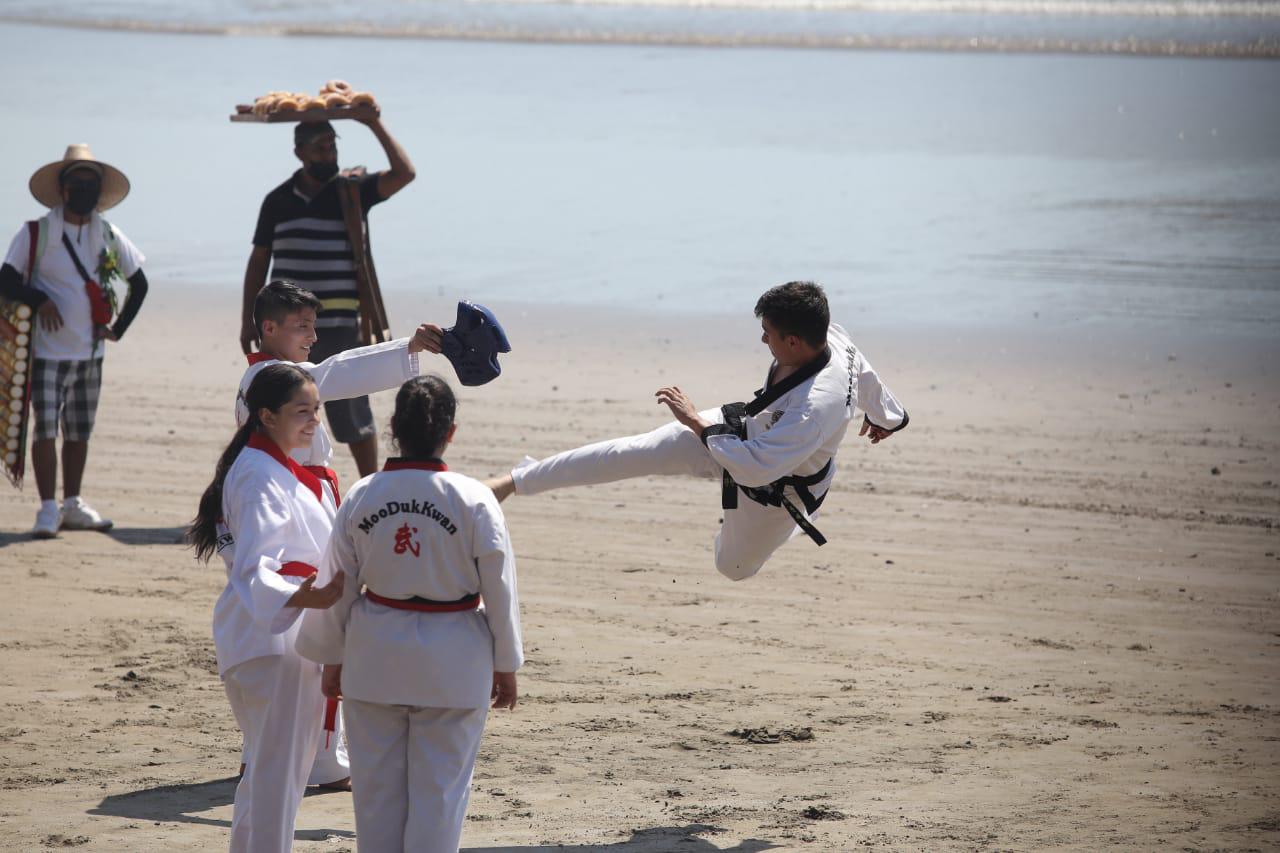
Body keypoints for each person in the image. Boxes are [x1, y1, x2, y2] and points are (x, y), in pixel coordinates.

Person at [486, 281, 908, 581]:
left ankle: (776, 528)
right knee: (632, 451)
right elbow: (863, 373)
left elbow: (754, 469)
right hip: (742, 432)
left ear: (795, 341)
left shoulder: (815, 410)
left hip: (777, 488)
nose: (763, 340)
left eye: (768, 334)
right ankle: (513, 481)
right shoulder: (831, 335)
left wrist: (694, 420)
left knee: (733, 567)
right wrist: (888, 416)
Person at [222, 278, 445, 789]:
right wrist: (408, 348)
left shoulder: (270, 376)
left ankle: (267, 750)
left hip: (298, 495)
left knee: (289, 633)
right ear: (269, 328)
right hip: (291, 503)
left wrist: (405, 350)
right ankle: (318, 761)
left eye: (313, 325)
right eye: (302, 326)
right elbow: (333, 372)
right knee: (311, 632)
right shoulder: (271, 378)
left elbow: (328, 371)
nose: (313, 335)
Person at [296, 375, 522, 853]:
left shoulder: (363, 494)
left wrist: (332, 656)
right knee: (440, 797)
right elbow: (499, 590)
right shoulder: (475, 499)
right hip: (455, 661)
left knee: (375, 797)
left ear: (394, 427)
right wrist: (506, 664)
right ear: (450, 432)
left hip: (374, 654)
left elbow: (337, 586)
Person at [188, 363, 348, 853]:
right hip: (277, 640)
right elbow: (256, 567)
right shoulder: (260, 474)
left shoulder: (268, 468)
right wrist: (306, 596)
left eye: (316, 410)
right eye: (302, 411)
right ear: (266, 415)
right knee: (278, 782)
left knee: (268, 777)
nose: (314, 421)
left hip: (273, 636)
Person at [241, 116, 416, 478]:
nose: (329, 154)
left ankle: (368, 486)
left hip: (338, 322)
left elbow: (405, 173)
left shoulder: (352, 191)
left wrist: (373, 123)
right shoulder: (277, 200)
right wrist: (248, 319)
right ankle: (289, 476)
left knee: (352, 412)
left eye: (332, 145)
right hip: (285, 328)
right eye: (320, 148)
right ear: (299, 152)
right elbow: (259, 260)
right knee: (287, 404)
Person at [0, 144, 149, 538]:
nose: (83, 192)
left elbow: (139, 283)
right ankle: (47, 508)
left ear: (98, 193)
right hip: (45, 353)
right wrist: (40, 299)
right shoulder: (38, 232)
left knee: (80, 431)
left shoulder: (108, 234)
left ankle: (72, 503)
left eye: (90, 186)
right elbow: (6, 279)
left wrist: (117, 328)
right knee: (45, 430)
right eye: (77, 185)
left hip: (90, 354)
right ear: (62, 190)